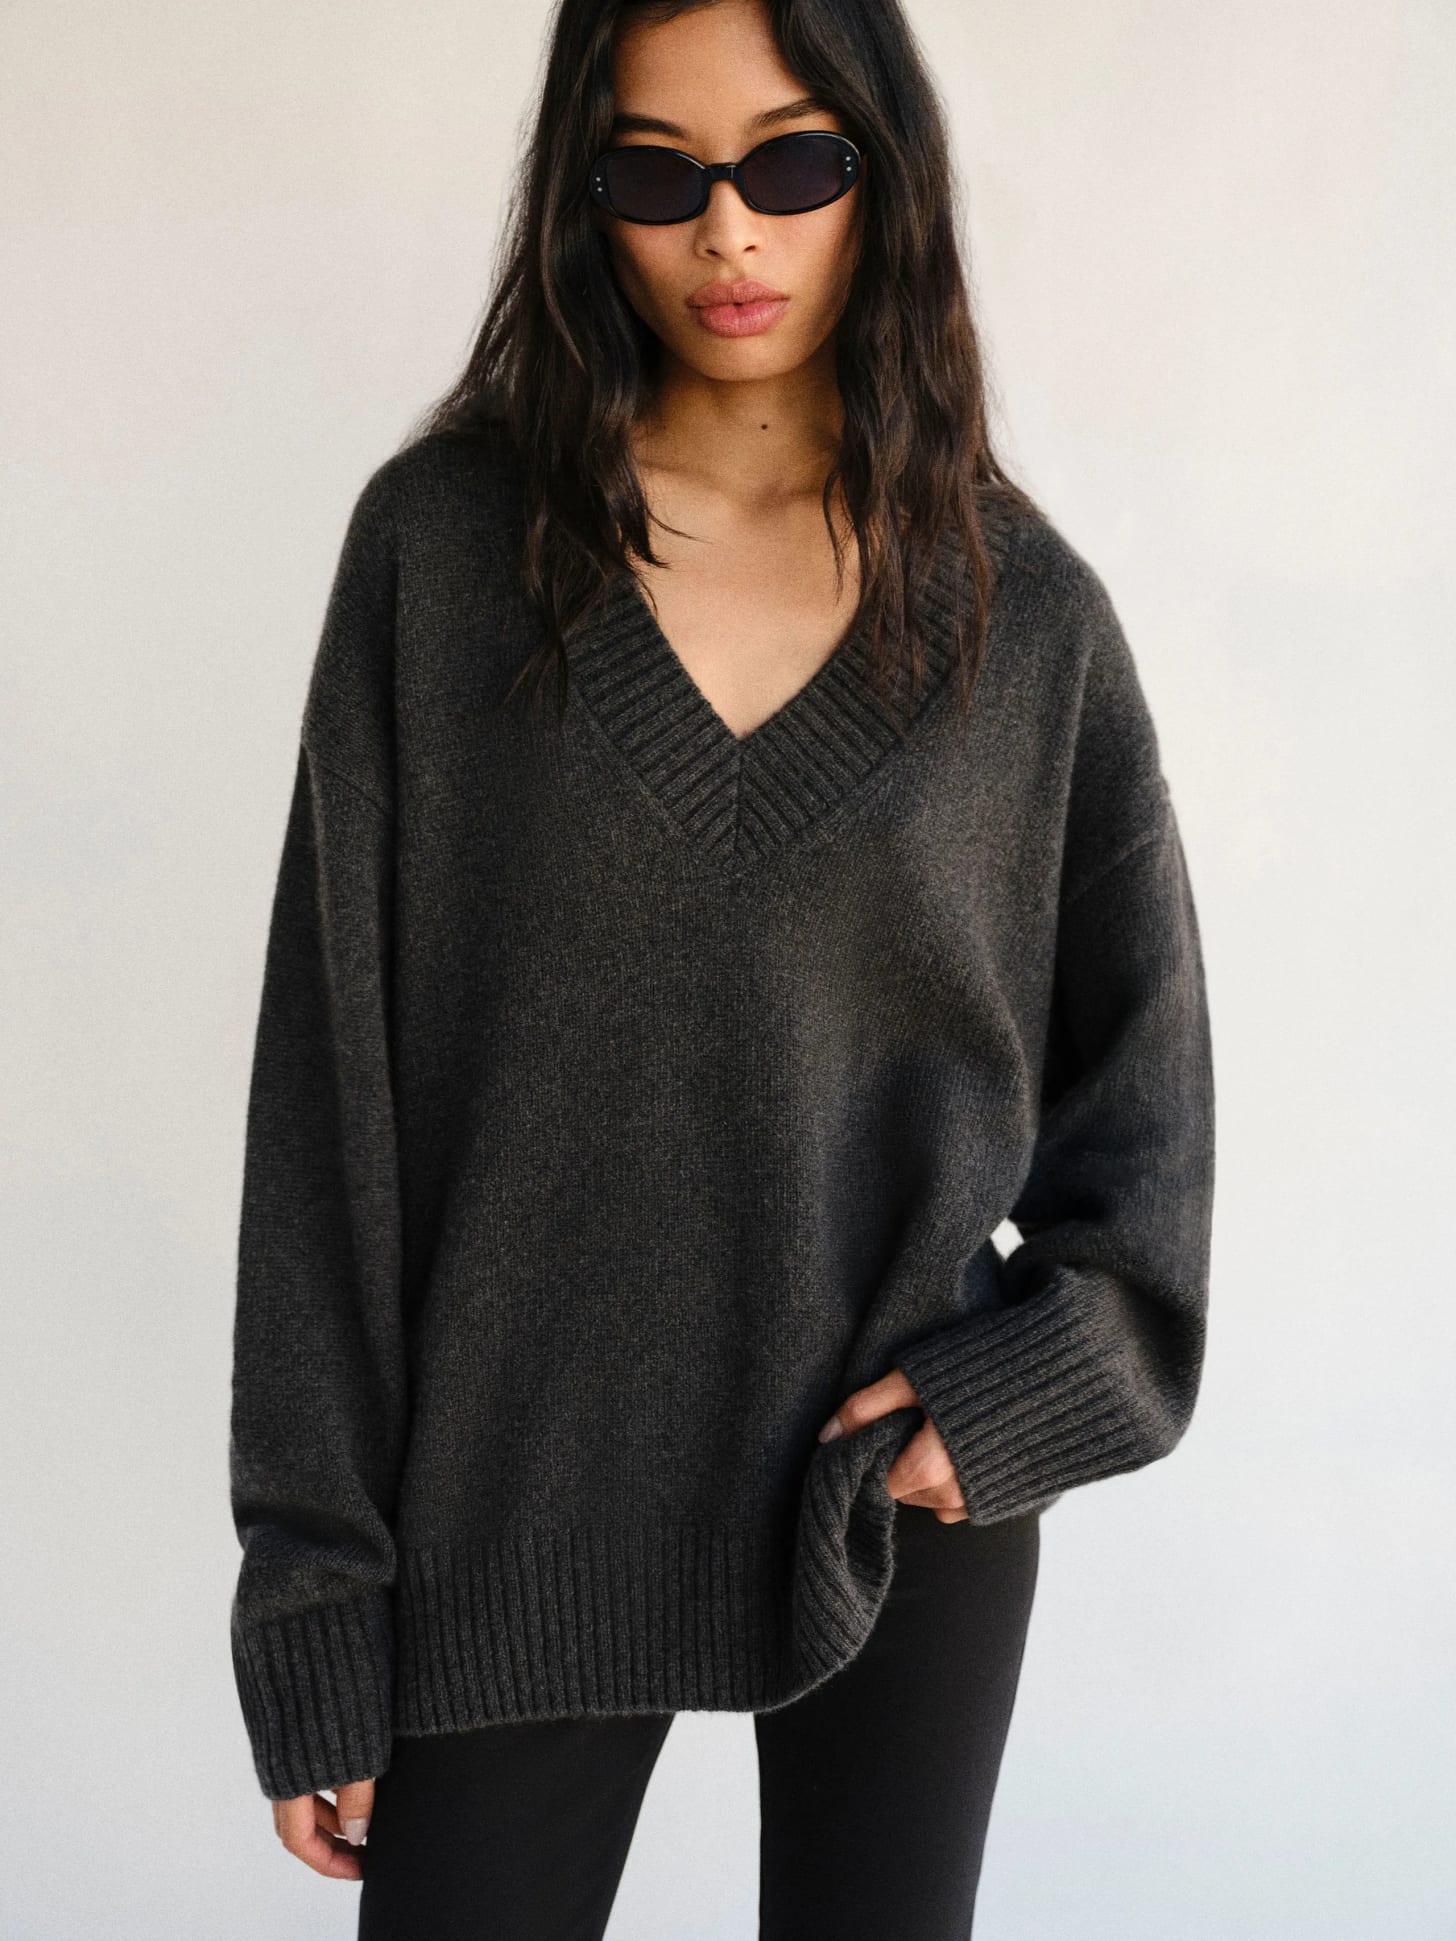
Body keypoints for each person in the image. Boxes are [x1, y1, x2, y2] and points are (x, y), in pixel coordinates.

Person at [226, 1, 1217, 1935]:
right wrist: (315, 1593)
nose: (728, 233)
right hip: (511, 1500)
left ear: (881, 173)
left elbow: (1148, 1134)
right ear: (581, 194)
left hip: (892, 1504)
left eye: (792, 162)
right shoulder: (442, 559)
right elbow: (325, 1116)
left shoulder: (1023, 622)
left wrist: (1021, 1397)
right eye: (655, 173)